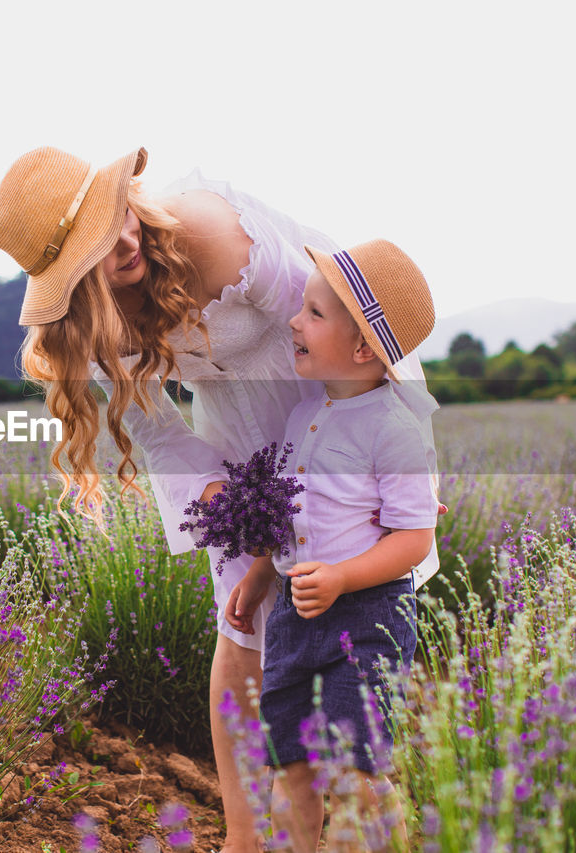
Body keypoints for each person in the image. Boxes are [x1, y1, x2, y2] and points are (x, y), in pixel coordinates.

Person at [0, 146, 439, 852]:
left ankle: (361, 812)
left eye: (118, 215)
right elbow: (158, 434)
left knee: (354, 589)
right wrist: (227, 501)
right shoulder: (97, 329)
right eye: (96, 245)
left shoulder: (210, 232)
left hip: (328, 397)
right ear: (69, 279)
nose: (127, 239)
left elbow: (331, 333)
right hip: (233, 426)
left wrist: (379, 475)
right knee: (242, 620)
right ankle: (245, 838)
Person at [225, 239, 439, 852]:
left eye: (315, 314)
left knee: (356, 771)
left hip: (366, 618)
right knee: (291, 768)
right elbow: (294, 514)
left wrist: (344, 578)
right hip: (297, 615)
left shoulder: (394, 430)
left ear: (363, 347)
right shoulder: (304, 417)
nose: (294, 321)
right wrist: (265, 571)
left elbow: (415, 539)